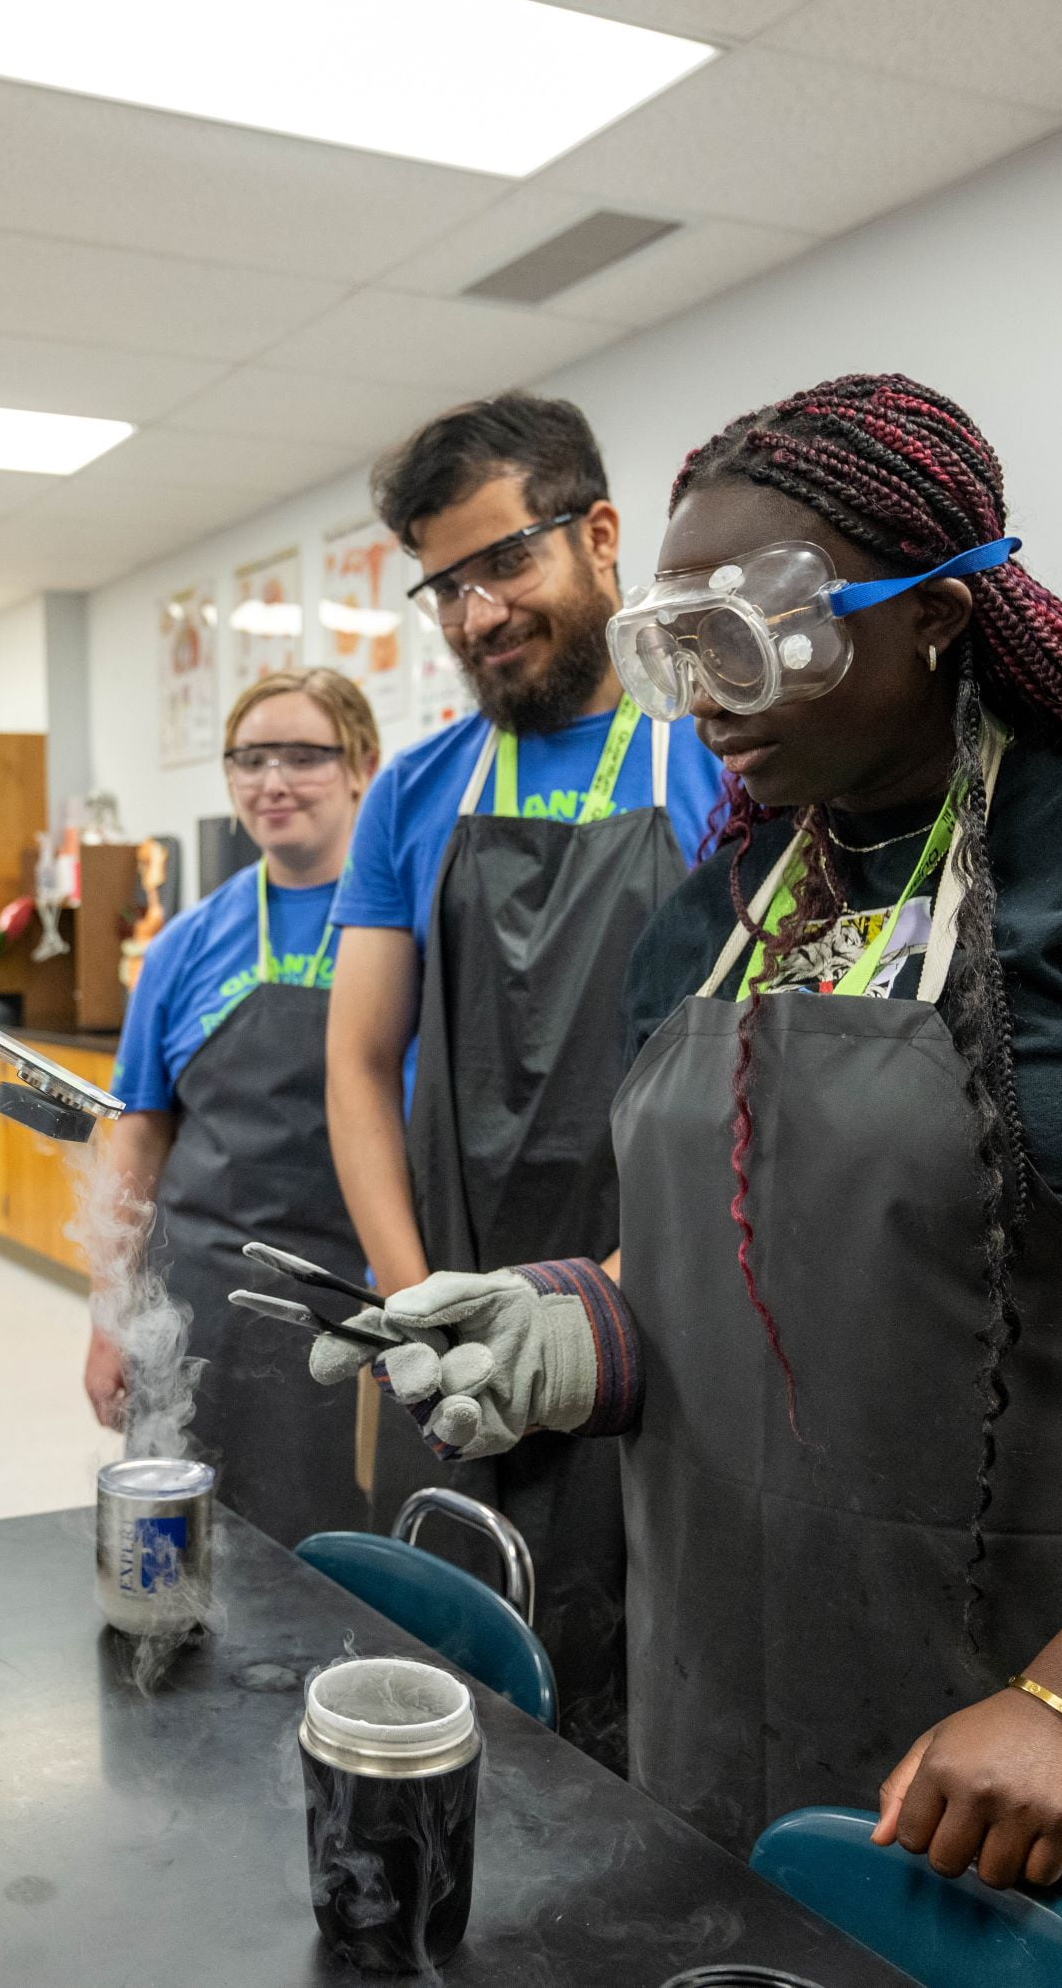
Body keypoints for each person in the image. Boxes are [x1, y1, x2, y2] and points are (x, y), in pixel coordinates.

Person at [311, 375, 1062, 1987]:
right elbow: (719, 1264)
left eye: (752, 641)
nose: (710, 697)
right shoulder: (725, 899)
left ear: (936, 617)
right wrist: (571, 1321)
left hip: (1039, 1719)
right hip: (723, 1681)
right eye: (682, 648)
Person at [321, 391, 719, 1771]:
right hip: (455, 1327)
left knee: (650, 1696)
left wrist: (601, 1302)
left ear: (602, 536)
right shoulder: (413, 791)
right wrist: (406, 1299)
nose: (477, 613)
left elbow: (755, 1091)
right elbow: (361, 1066)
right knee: (460, 1683)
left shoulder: (715, 764)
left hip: (661, 1331)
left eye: (508, 561)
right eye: (446, 585)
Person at [83, 669, 383, 1545]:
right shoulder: (184, 945)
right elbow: (136, 1140)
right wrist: (112, 1319)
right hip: (196, 1307)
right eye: (250, 758)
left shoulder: (401, 932)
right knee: (181, 1548)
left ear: (362, 764)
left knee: (329, 1557)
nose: (272, 781)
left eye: (303, 755)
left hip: (347, 1310)